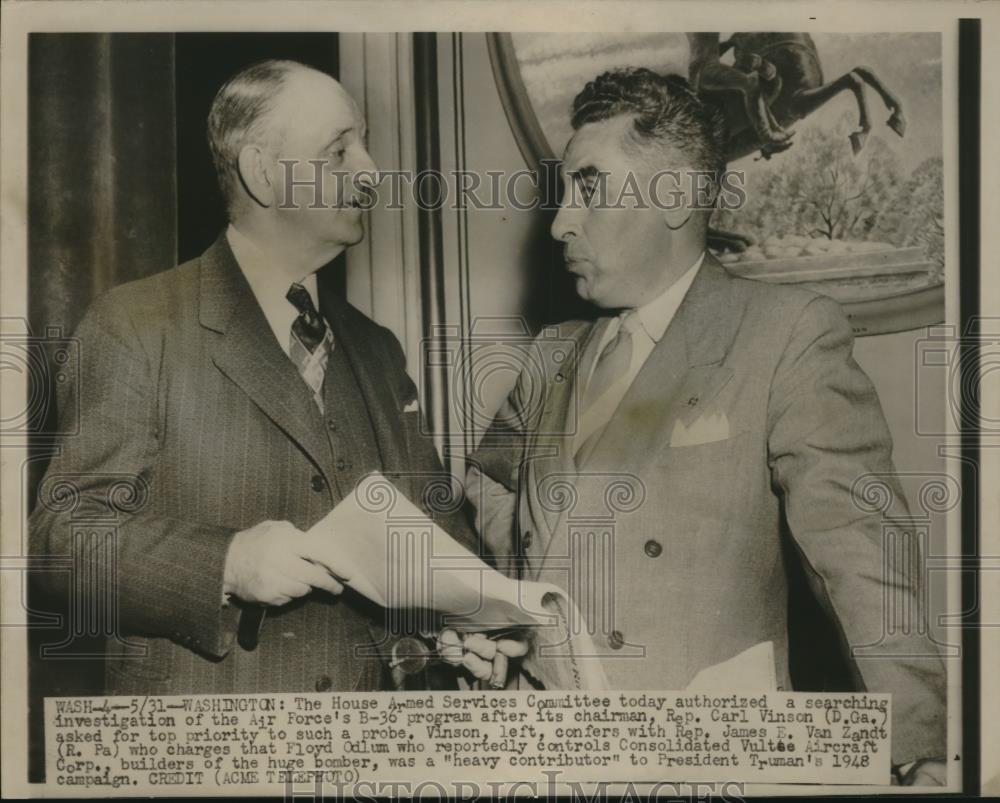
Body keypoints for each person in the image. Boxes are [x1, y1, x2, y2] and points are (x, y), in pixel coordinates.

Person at [466, 68, 946, 784]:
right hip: (548, 757)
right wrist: (514, 610)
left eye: (589, 186)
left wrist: (914, 739)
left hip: (710, 760)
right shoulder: (552, 353)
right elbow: (485, 483)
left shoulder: (784, 333)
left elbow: (859, 550)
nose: (562, 219)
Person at [30, 59, 514, 694]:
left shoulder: (376, 349)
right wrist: (226, 562)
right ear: (263, 173)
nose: (370, 172)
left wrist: (466, 621)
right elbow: (61, 543)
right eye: (340, 151)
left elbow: (431, 528)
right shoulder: (136, 324)